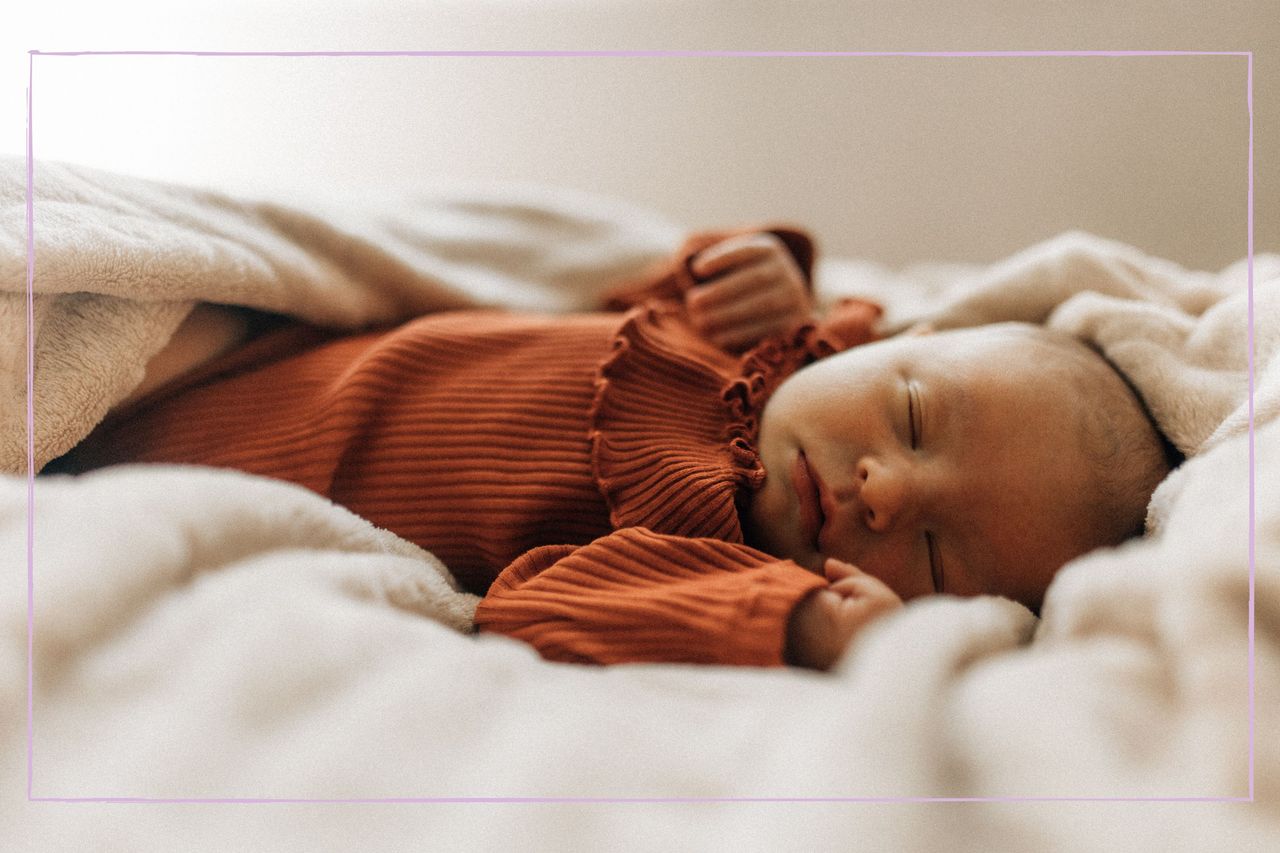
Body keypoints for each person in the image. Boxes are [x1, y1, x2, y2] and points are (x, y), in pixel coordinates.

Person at [55, 226, 1172, 671]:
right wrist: (750, 269)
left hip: (191, 464)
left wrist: (785, 622)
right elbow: (614, 292)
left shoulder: (719, 552)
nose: (883, 489)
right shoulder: (775, 343)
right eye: (915, 418)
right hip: (252, 354)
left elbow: (532, 603)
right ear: (896, 341)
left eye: (933, 555)